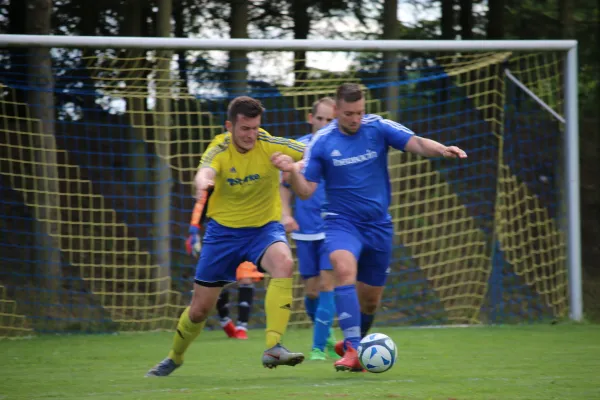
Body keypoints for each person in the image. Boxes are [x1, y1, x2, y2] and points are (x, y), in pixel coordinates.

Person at [272, 83, 467, 372]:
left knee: (371, 301)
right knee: (343, 271)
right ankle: (352, 349)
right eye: (349, 113)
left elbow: (415, 142)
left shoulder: (378, 127)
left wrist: (442, 150)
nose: (355, 119)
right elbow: (306, 191)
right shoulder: (322, 142)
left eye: (360, 112)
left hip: (378, 225)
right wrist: (291, 174)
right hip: (340, 222)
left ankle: (356, 344)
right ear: (337, 110)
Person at [146, 96, 307, 377]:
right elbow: (205, 169)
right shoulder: (219, 148)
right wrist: (203, 183)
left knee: (284, 263)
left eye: (255, 128)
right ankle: (174, 356)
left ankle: (273, 347)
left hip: (263, 229)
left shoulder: (271, 145)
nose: (250, 135)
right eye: (244, 128)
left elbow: (314, 153)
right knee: (199, 311)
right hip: (223, 235)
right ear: (229, 126)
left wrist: (293, 166)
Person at [280, 97, 339, 361]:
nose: (325, 124)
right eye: (320, 119)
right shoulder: (298, 148)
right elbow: (283, 185)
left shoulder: (341, 147)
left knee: (328, 284)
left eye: (330, 120)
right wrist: (285, 214)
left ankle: (317, 349)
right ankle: (325, 335)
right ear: (310, 117)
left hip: (334, 225)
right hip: (305, 229)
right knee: (312, 291)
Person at [215, 262, 264, 339]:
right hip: (221, 253)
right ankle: (225, 320)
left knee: (246, 279)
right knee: (216, 284)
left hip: (242, 253)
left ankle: (241, 328)